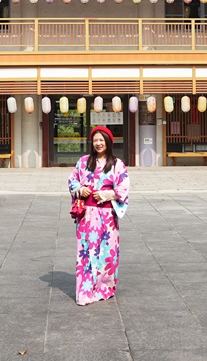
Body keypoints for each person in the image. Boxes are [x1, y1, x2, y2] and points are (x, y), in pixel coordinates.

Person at [67, 125, 130, 305]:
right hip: (86, 215)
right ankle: (86, 290)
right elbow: (72, 180)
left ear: (109, 142)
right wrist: (80, 189)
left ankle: (104, 287)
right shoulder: (84, 161)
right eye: (95, 140)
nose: (98, 143)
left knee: (107, 252)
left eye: (102, 140)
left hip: (108, 215)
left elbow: (123, 188)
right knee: (86, 252)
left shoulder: (117, 164)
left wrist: (107, 194)